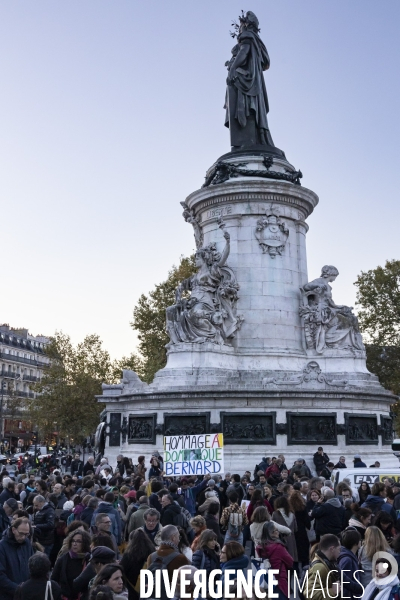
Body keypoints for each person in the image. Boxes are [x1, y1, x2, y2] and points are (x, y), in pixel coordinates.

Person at [256, 521, 293, 600]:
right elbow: (290, 562)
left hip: (265, 580)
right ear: (271, 533)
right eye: (276, 530)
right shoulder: (278, 547)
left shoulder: (260, 547)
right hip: (279, 580)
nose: (278, 532)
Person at [52, 529, 92, 599]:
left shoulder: (89, 559)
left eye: (78, 541)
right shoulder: (63, 559)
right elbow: (54, 579)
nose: (74, 544)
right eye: (73, 541)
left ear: (85, 543)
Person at [0, 517, 33, 600]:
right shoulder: (2, 546)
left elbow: (32, 566)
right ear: (14, 530)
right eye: (21, 534)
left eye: (26, 534)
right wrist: (18, 589)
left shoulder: (27, 544)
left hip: (25, 593)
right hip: (7, 595)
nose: (23, 537)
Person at [120, 528, 156, 600]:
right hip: (148, 588)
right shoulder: (152, 553)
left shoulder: (128, 555)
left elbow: (121, 570)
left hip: (132, 591)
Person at [304, 534, 341, 600]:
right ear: (332, 549)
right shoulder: (319, 567)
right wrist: (332, 591)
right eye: (339, 549)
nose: (340, 552)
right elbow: (310, 594)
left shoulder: (328, 563)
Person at [337, 528, 363, 600]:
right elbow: (345, 584)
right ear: (356, 543)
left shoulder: (350, 557)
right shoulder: (347, 560)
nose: (361, 541)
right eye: (359, 540)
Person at [272, 496, 298, 563]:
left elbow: (272, 527)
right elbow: (295, 528)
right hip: (291, 539)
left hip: (280, 539)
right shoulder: (292, 514)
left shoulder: (275, 514)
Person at [290, 490, 311, 567]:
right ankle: (304, 567)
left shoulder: (289, 508)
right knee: (303, 548)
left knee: (294, 549)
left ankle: (295, 568)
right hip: (301, 530)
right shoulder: (302, 507)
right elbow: (306, 520)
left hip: (292, 530)